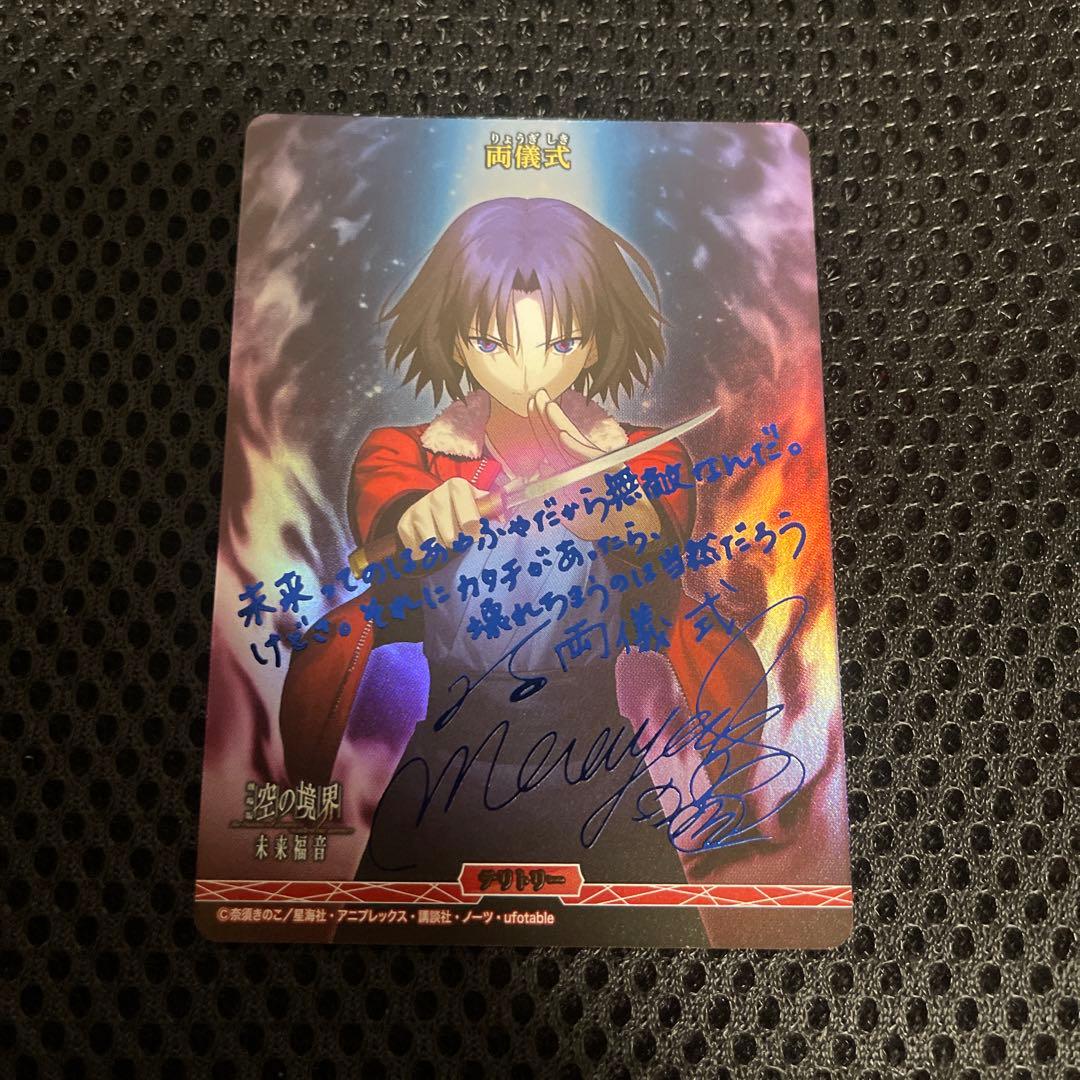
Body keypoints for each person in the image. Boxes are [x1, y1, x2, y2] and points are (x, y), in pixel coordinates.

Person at [279, 198, 766, 912]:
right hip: (446, 759)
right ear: (457, 342)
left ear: (593, 345)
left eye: (559, 342)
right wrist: (421, 516)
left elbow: (658, 532)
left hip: (595, 761)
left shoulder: (640, 452)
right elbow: (385, 511)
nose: (528, 367)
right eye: (494, 341)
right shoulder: (406, 451)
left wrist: (611, 503)